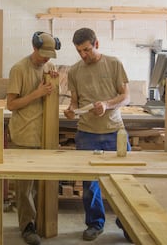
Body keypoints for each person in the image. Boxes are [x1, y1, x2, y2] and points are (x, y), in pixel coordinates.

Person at [63, 27, 131, 242]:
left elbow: (125, 96)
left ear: (96, 44)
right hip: (87, 133)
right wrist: (70, 110)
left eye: (86, 50)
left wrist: (107, 104)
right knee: (89, 185)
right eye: (79, 51)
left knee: (124, 183)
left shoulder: (113, 64)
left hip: (114, 132)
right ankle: (95, 224)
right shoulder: (74, 71)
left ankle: (127, 224)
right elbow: (75, 101)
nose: (83, 55)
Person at [6, 31, 60, 245]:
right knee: (24, 187)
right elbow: (11, 104)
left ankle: (41, 223)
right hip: (24, 134)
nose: (46, 59)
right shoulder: (19, 69)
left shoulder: (49, 68)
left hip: (43, 135)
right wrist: (37, 93)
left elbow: (52, 97)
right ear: (34, 48)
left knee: (43, 184)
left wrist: (55, 84)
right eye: (43, 54)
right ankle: (27, 226)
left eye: (50, 55)